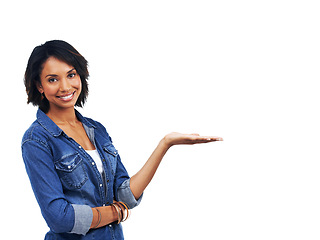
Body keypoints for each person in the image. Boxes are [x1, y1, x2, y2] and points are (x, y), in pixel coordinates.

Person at [21, 40, 223, 240]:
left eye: (71, 75)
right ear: (39, 85)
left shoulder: (96, 130)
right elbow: (60, 218)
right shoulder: (37, 140)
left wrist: (165, 144)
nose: (65, 86)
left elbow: (125, 196)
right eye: (53, 79)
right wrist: (116, 212)